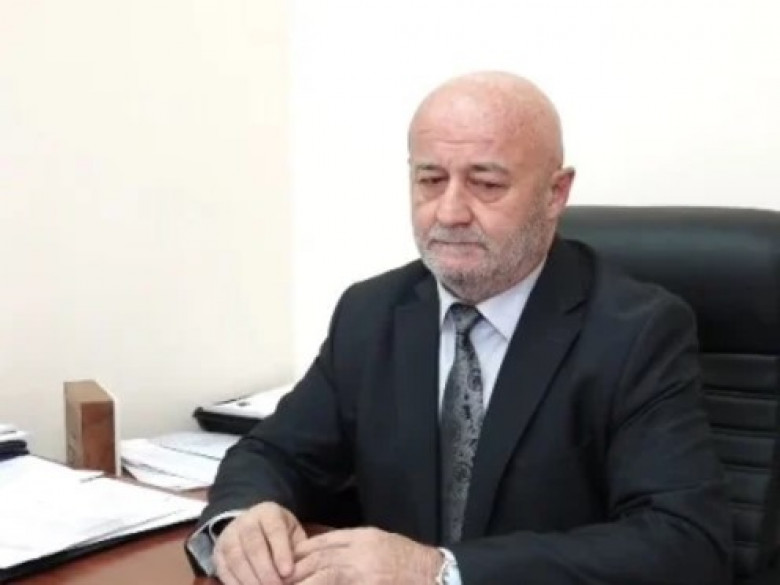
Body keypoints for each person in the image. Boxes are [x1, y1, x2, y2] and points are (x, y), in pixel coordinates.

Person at [187, 71, 733, 585]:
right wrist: (243, 519)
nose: (449, 212)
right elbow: (271, 454)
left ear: (555, 193)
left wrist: (439, 571)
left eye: (486, 183)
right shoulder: (371, 313)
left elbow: (685, 542)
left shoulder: (636, 332)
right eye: (430, 180)